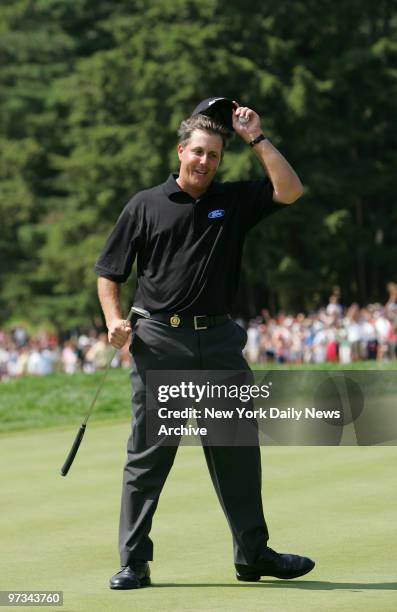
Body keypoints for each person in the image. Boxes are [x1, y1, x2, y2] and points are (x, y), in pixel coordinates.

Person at [94, 97, 315, 589]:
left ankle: (252, 555)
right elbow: (110, 272)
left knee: (237, 452)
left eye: (213, 156)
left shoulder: (233, 201)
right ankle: (134, 560)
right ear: (180, 151)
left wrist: (254, 138)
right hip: (161, 342)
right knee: (150, 454)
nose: (204, 162)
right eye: (197, 152)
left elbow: (291, 190)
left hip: (217, 342)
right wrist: (113, 320)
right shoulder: (144, 205)